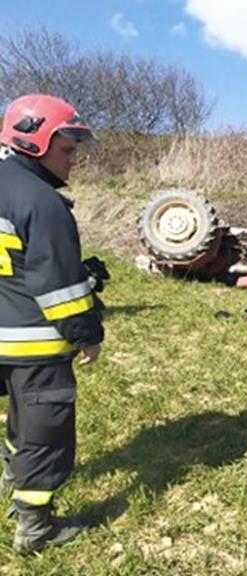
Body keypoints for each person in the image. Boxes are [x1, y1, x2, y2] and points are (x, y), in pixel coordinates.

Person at [0, 94, 104, 553]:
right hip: (35, 344)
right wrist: (88, 333)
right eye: (67, 149)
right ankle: (36, 528)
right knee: (45, 427)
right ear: (36, 143)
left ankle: (9, 482)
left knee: (18, 418)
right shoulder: (43, 202)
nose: (74, 160)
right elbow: (59, 288)